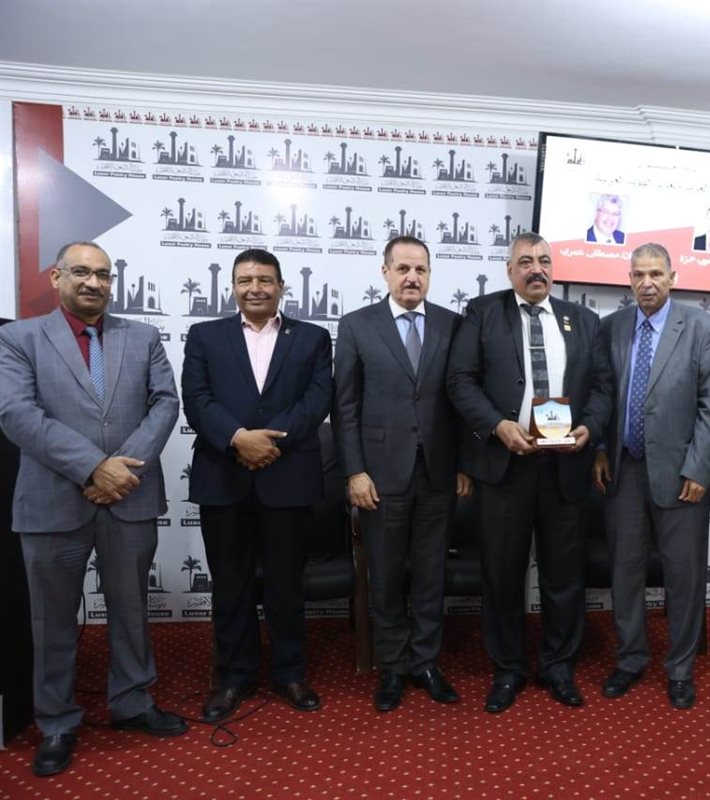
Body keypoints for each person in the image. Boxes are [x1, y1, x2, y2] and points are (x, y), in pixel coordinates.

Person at [0, 242, 184, 776]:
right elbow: (16, 413)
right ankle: (57, 721)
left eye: (103, 274)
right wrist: (93, 467)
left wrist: (122, 472)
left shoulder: (142, 336)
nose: (94, 282)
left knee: (131, 610)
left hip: (130, 495)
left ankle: (133, 701)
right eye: (81, 272)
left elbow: (165, 403)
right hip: (52, 500)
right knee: (52, 620)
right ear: (56, 277)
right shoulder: (18, 338)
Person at [446, 232, 610, 713]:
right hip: (506, 466)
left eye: (543, 261)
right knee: (502, 573)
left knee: (564, 574)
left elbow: (603, 386)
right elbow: (460, 381)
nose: (536, 269)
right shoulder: (482, 313)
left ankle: (559, 666)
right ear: (509, 270)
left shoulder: (583, 319)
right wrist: (498, 426)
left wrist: (590, 427)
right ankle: (508, 669)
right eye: (525, 262)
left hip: (565, 465)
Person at [182, 248, 332, 723]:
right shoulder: (204, 336)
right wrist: (238, 439)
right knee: (231, 584)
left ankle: (290, 673)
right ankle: (234, 677)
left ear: (281, 287)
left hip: (288, 477)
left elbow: (317, 400)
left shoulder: (312, 338)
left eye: (265, 280)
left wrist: (269, 442)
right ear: (233, 287)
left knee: (287, 584)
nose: (255, 288)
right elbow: (196, 399)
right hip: (224, 476)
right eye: (245, 280)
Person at [333, 235, 471, 711]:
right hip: (380, 475)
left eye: (421, 269)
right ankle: (392, 665)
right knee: (387, 574)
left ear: (430, 274)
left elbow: (463, 400)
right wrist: (355, 471)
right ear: (385, 272)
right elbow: (344, 406)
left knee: (432, 572)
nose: (413, 277)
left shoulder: (453, 325)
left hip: (438, 473)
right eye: (403, 268)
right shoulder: (357, 325)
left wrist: (464, 465)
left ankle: (426, 662)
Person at [593, 242, 710, 710]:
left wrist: (699, 467)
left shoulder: (702, 328)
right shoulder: (611, 327)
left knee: (683, 577)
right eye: (638, 275)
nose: (647, 283)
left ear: (673, 277)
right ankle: (630, 658)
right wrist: (599, 449)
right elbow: (602, 396)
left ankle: (680, 669)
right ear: (629, 280)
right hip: (624, 469)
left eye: (656, 274)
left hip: (682, 473)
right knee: (625, 572)